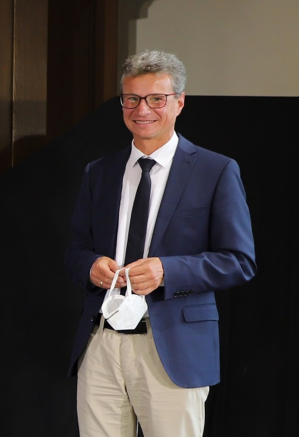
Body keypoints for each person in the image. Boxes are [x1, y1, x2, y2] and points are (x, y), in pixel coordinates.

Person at [65, 50, 256, 436]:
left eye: (156, 98)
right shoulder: (99, 172)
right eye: (132, 99)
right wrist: (90, 266)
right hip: (100, 342)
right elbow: (75, 250)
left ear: (179, 102)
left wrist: (166, 271)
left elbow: (239, 260)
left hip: (172, 346)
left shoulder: (215, 170)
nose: (142, 110)